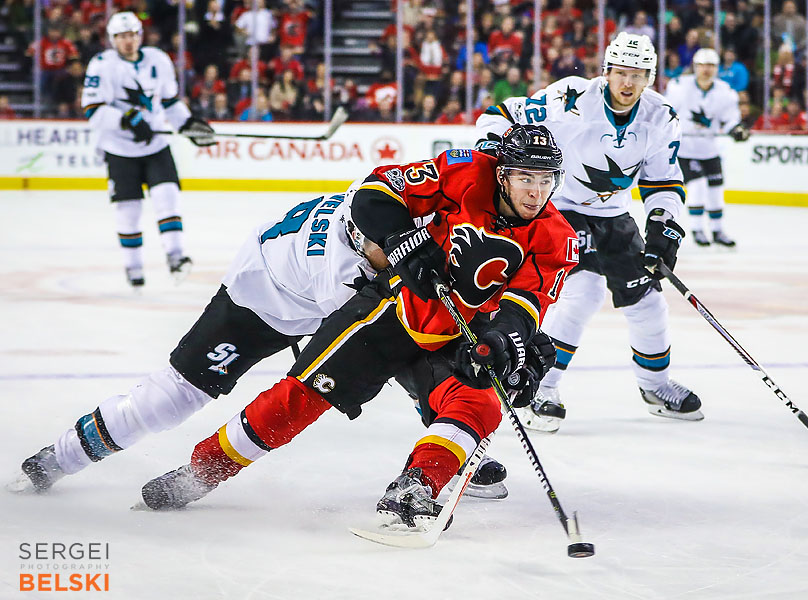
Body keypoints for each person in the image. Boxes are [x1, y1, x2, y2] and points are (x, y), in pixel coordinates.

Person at [137, 126, 579, 529]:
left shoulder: (557, 236)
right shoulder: (465, 170)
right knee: (302, 396)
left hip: (457, 330)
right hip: (390, 311)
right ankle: (204, 469)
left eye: (545, 180)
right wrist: (404, 242)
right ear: (502, 175)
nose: (535, 191)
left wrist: (504, 345)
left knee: (480, 404)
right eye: (525, 177)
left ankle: (417, 484)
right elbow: (374, 192)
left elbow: (524, 307)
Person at [11, 180, 530, 500]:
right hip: (255, 304)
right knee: (167, 401)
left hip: (306, 290)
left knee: (396, 341)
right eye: (383, 250)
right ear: (360, 244)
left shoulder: (383, 218)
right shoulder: (337, 265)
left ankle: (452, 448)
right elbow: (386, 347)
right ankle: (59, 457)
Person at [476, 32, 701, 432]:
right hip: (561, 209)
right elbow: (501, 113)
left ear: (649, 77)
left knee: (647, 301)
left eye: (637, 75)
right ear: (606, 72)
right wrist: (494, 149)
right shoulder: (571, 100)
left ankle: (655, 386)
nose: (628, 84)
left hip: (614, 215)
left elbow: (663, 180)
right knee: (584, 292)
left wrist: (664, 227)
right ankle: (541, 387)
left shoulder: (660, 116)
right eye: (620, 73)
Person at [81, 12, 216, 288]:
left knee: (167, 197)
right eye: (121, 36)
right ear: (112, 40)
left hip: (156, 145)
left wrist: (186, 123)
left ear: (140, 36)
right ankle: (133, 268)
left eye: (132, 35)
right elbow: (93, 109)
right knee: (128, 211)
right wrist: (127, 120)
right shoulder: (101, 65)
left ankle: (176, 257)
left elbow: (168, 101)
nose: (128, 41)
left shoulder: (158, 59)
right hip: (119, 149)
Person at [665, 48, 749, 248]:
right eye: (702, 65)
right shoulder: (679, 86)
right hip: (685, 148)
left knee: (716, 188)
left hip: (709, 148)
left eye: (710, 65)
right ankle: (697, 229)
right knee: (698, 186)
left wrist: (736, 129)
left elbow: (729, 120)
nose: (706, 70)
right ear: (695, 67)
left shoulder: (725, 91)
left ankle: (717, 230)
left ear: (717, 68)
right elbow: (666, 111)